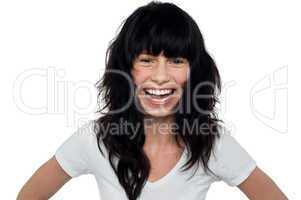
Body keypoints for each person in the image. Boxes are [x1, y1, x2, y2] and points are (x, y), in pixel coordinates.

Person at [17, 1, 288, 200]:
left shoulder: (211, 143)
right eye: (147, 60)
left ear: (193, 72)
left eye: (176, 61)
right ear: (127, 70)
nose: (160, 76)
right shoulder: (96, 139)